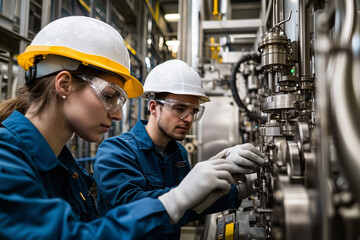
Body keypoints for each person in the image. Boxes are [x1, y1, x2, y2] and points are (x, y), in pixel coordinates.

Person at [0, 16, 236, 239]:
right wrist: (174, 199)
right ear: (64, 84)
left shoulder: (64, 164)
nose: (117, 114)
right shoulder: (6, 159)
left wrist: (232, 188)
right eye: (109, 96)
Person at [93, 59, 265, 239]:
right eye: (179, 108)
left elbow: (190, 208)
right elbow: (128, 208)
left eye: (193, 111)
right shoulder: (115, 151)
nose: (188, 119)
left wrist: (239, 190)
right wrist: (182, 195)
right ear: (153, 107)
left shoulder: (178, 153)